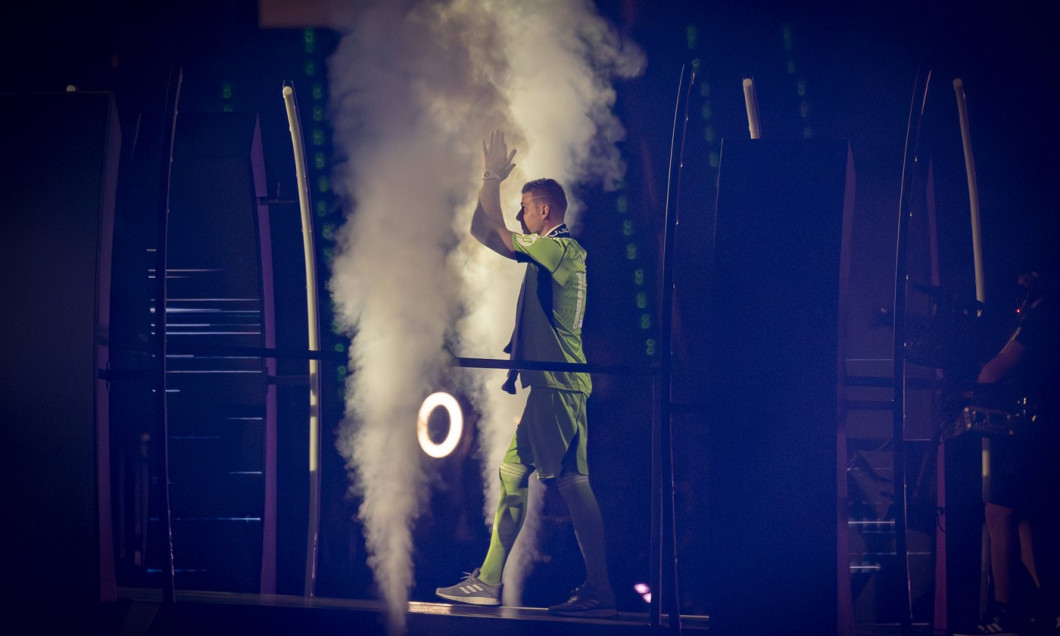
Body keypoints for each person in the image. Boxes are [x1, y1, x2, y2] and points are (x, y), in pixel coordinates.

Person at [435, 131, 615, 617]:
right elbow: (482, 228)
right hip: (561, 385)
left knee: (556, 483)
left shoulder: (562, 250)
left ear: (543, 212)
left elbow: (496, 222)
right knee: (550, 480)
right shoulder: (546, 252)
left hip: (558, 385)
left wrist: (493, 175)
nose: (518, 216)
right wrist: (487, 186)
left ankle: (498, 583)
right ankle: (592, 588)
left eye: (523, 208)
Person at [958, 262, 1060, 636]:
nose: (1019, 281)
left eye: (1027, 275)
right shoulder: (1040, 314)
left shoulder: (1045, 314)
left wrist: (972, 385)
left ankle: (1005, 612)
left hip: (1039, 433)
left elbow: (996, 369)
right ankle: (1039, 606)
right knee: (1025, 519)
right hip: (1040, 431)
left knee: (998, 513)